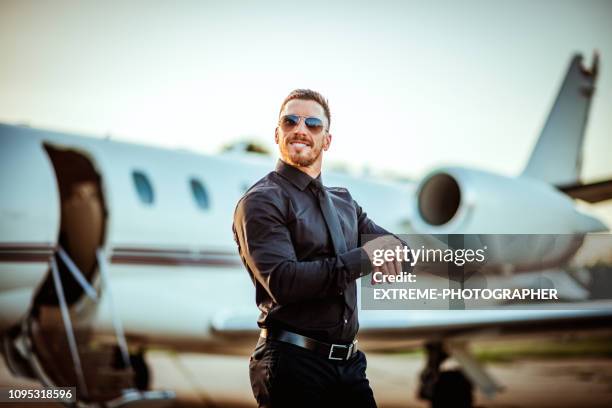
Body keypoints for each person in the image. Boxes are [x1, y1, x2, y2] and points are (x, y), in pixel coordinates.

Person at [232, 89, 403, 407]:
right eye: (290, 121)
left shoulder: (345, 202)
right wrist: (366, 257)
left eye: (313, 124)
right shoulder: (262, 201)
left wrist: (393, 247)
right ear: (277, 133)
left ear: (326, 140)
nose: (300, 129)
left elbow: (397, 248)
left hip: (350, 366)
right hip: (292, 365)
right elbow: (284, 282)